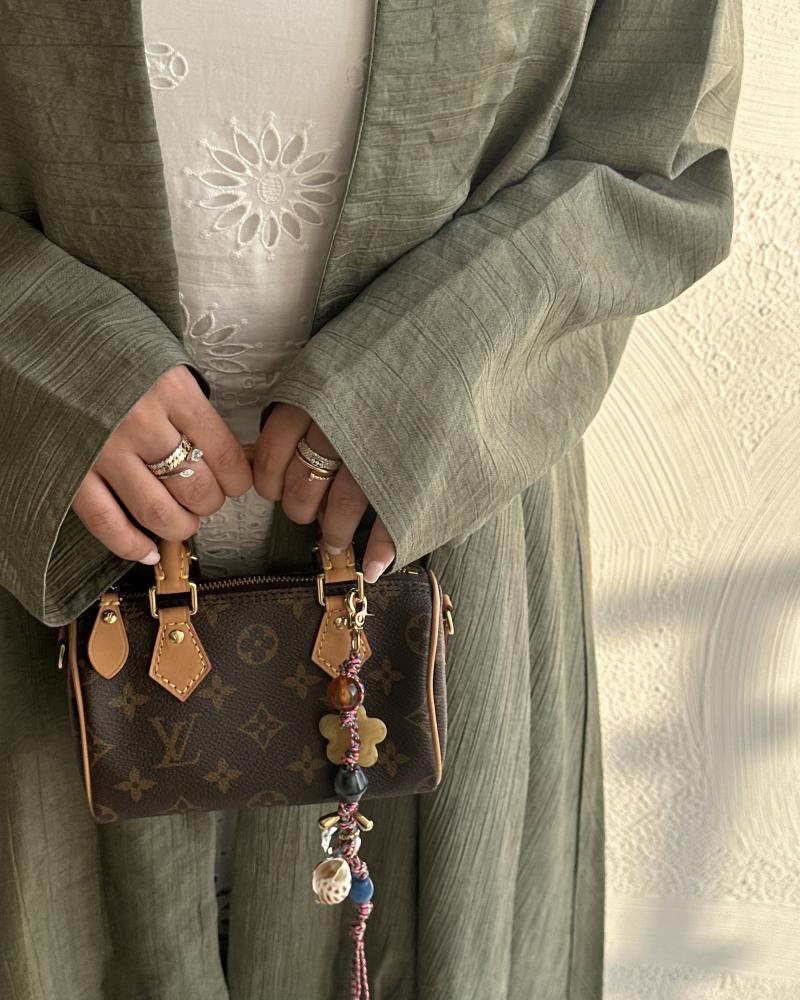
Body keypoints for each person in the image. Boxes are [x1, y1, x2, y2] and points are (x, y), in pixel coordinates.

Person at [0, 1, 743, 998]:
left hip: (447, 568)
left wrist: (431, 369)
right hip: (29, 556)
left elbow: (656, 149)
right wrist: (32, 352)